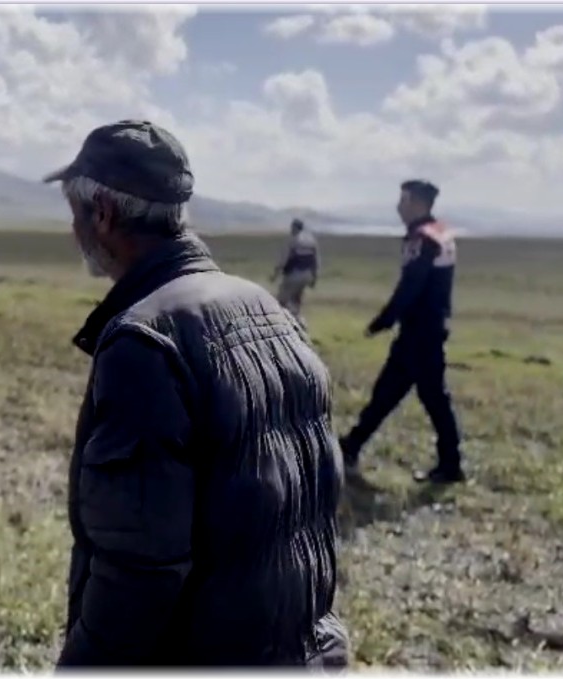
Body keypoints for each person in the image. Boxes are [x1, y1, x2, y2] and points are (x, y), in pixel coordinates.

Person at [41, 119, 348, 668]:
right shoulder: (270, 311)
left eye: (75, 213)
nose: (73, 230)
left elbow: (138, 570)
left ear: (102, 214)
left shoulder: (144, 342)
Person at [339, 179, 464, 484]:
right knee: (394, 392)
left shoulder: (423, 239)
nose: (398, 207)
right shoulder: (440, 232)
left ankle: (450, 464)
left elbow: (411, 286)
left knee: (425, 397)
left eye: (403, 200)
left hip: (420, 332)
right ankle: (352, 445)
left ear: (416, 203)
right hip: (428, 328)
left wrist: (384, 320)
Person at [270, 218, 319, 325]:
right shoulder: (311, 241)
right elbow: (315, 261)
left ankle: (284, 324)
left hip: (293, 274)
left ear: (295, 228)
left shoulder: (293, 240)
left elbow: (283, 260)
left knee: (282, 300)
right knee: (296, 300)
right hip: (307, 275)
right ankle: (298, 323)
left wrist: (275, 275)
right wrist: (314, 278)